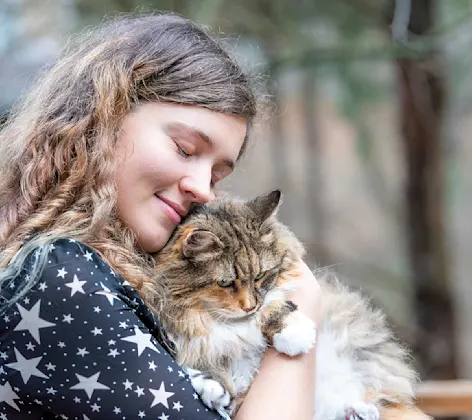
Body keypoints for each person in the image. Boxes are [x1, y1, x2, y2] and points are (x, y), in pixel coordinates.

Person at [0, 13, 322, 420]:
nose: (203, 189)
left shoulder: (110, 274)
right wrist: (301, 309)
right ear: (103, 118)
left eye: (218, 175)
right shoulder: (58, 276)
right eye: (185, 149)